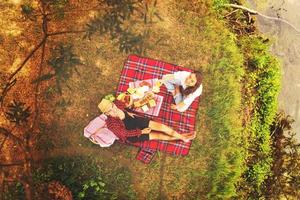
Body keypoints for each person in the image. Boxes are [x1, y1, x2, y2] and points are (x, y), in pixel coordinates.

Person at [97, 98, 196, 143]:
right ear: (106, 114)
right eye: (110, 110)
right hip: (133, 133)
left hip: (135, 120)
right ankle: (183, 137)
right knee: (158, 135)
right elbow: (125, 133)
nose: (114, 109)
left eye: (112, 106)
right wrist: (142, 131)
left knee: (161, 127)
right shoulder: (112, 125)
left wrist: (128, 111)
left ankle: (183, 137)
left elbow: (124, 106)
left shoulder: (117, 104)